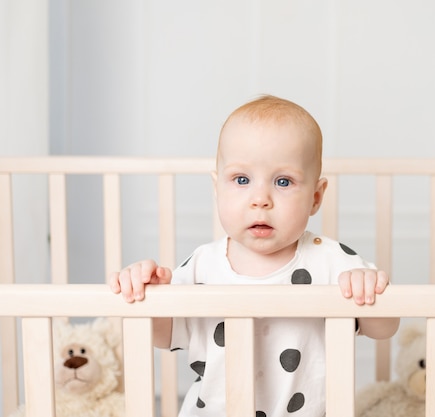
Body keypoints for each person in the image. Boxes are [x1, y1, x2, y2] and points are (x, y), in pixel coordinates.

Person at [109, 95, 400, 416]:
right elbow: (164, 335)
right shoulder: (203, 265)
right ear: (217, 188)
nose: (260, 199)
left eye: (283, 181)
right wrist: (147, 295)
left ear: (316, 197)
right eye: (242, 180)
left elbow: (385, 328)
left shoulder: (334, 262)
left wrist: (368, 290)